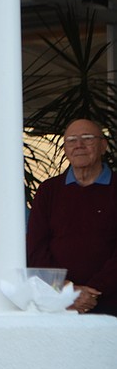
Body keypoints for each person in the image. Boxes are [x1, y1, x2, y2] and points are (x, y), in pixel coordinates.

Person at [27, 118, 117, 316]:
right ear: (65, 149)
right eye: (71, 140)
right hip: (58, 303)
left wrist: (92, 292)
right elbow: (36, 247)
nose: (79, 145)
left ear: (103, 146)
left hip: (111, 304)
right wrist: (68, 289)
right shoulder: (48, 191)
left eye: (87, 138)